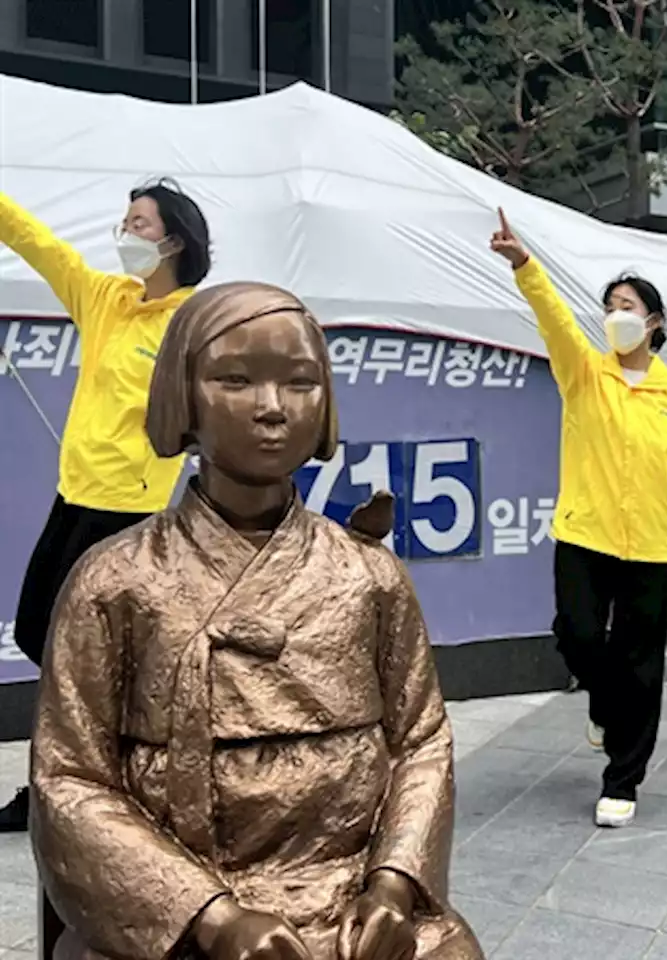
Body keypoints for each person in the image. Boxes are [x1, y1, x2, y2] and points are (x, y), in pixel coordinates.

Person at [30, 281, 482, 960]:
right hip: (183, 908)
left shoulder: (371, 576)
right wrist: (210, 917)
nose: (272, 408)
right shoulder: (114, 580)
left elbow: (420, 741)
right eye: (235, 380)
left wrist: (392, 887)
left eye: (299, 383)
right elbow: (69, 779)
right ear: (184, 396)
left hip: (350, 902)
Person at [490, 209, 667, 828]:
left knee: (640, 662)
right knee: (576, 633)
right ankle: (603, 702)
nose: (616, 314)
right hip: (585, 532)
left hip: (652, 541)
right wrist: (524, 265)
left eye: (628, 305)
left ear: (654, 322)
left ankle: (623, 779)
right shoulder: (585, 374)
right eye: (610, 305)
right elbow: (553, 319)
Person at [0, 179, 211, 831]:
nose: (126, 235)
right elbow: (38, 243)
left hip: (130, 513)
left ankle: (64, 791)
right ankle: (109, 765)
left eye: (140, 224)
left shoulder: (193, 322)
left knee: (79, 656)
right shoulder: (104, 298)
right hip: (74, 498)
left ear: (172, 240)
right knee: (40, 633)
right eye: (125, 222)